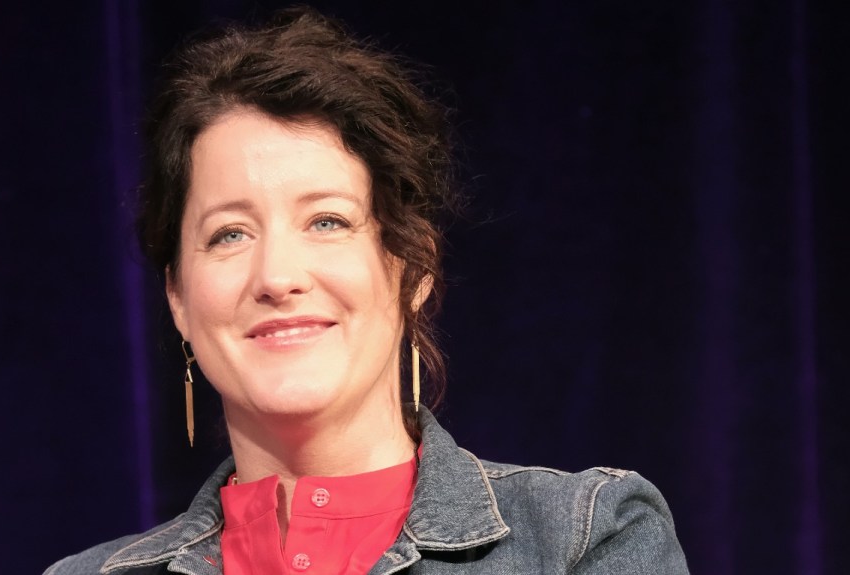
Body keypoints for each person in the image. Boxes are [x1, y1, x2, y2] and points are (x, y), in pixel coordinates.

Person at [46, 7, 688, 574]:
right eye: (229, 234)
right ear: (178, 299)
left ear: (412, 267)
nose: (276, 276)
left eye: (327, 221)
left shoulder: (583, 538)